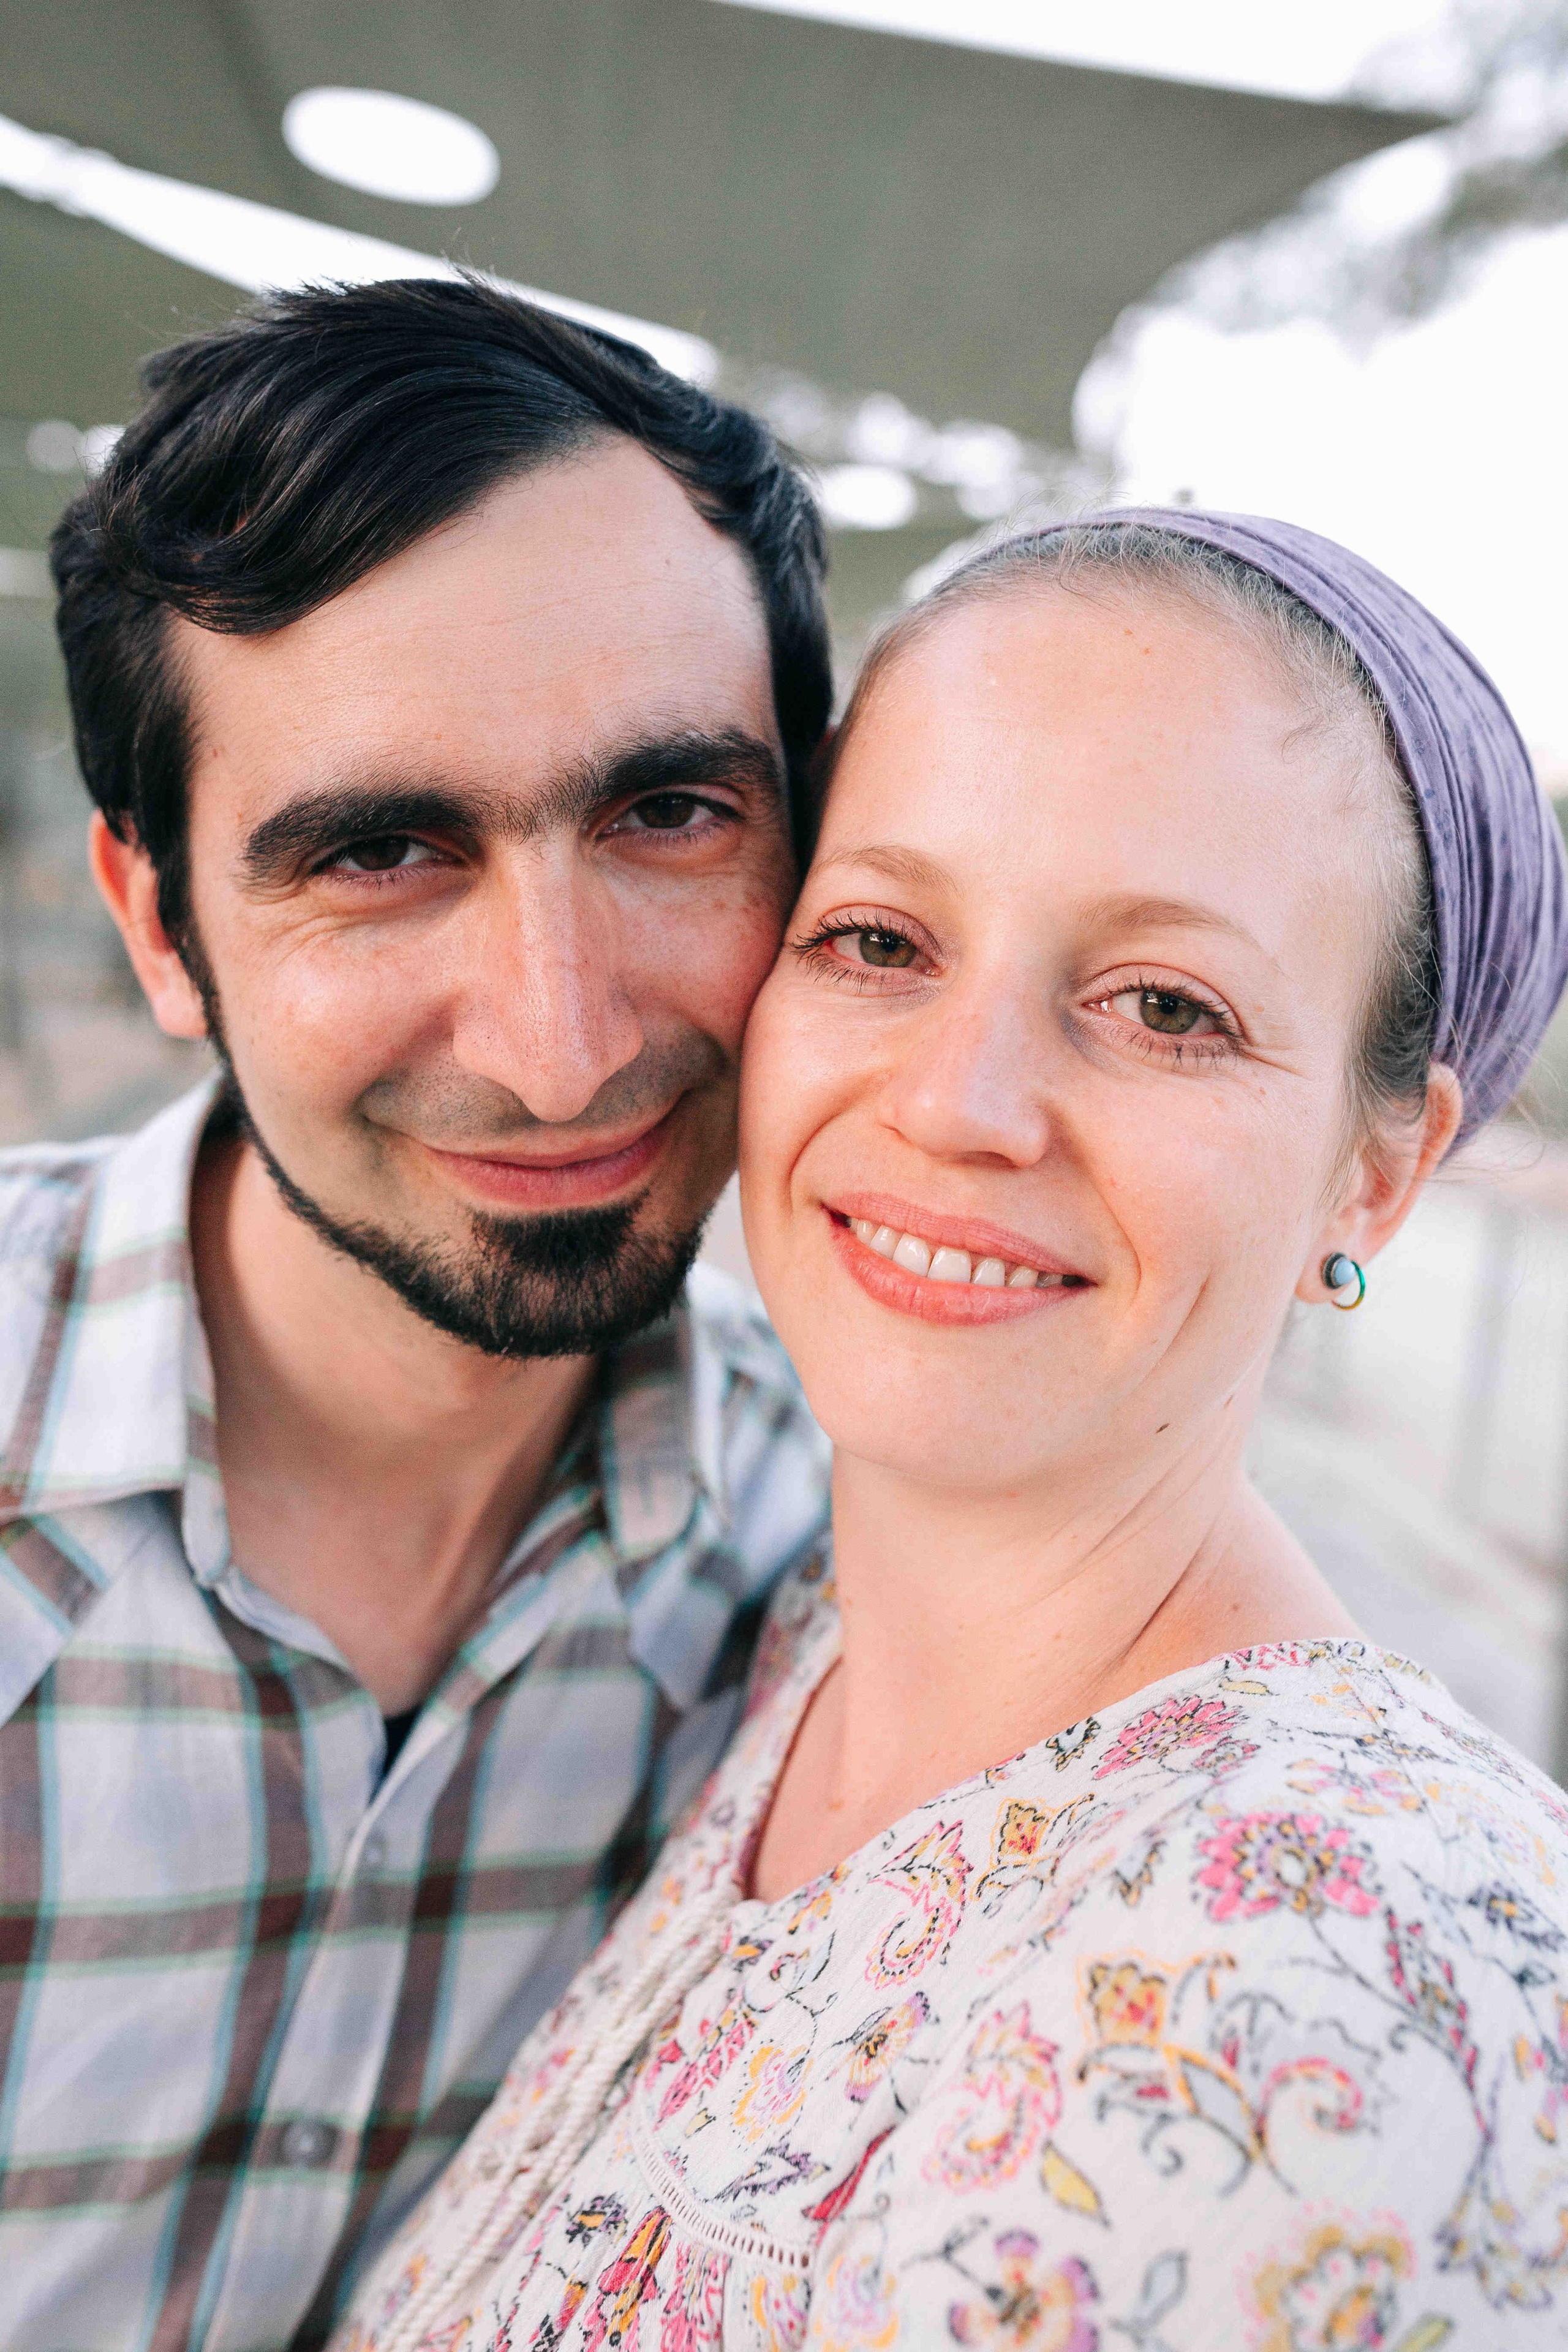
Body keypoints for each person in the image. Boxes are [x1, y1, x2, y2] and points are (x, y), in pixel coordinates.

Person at [337, 512, 1568, 2351]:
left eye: (1167, 1007)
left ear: (1379, 1173)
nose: (963, 1103)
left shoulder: (1325, 1991)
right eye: (881, 939)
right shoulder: (788, 1657)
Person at [0, 280, 833, 2351]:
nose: (561, 1053)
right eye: (378, 851)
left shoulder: (830, 1578)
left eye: (669, 813)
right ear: (158, 925)